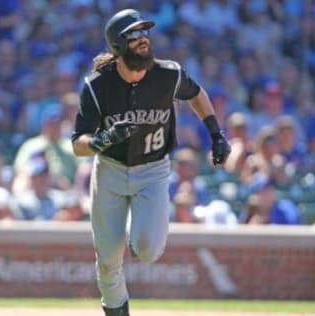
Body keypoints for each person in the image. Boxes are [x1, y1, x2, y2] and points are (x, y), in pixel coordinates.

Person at [71, 9, 230, 316]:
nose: (143, 39)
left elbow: (197, 95)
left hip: (153, 170)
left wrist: (215, 133)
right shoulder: (96, 85)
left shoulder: (168, 74)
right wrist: (101, 140)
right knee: (107, 262)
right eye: (133, 35)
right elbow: (78, 144)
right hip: (111, 171)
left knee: (147, 249)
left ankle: (134, 233)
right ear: (117, 46)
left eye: (145, 33)